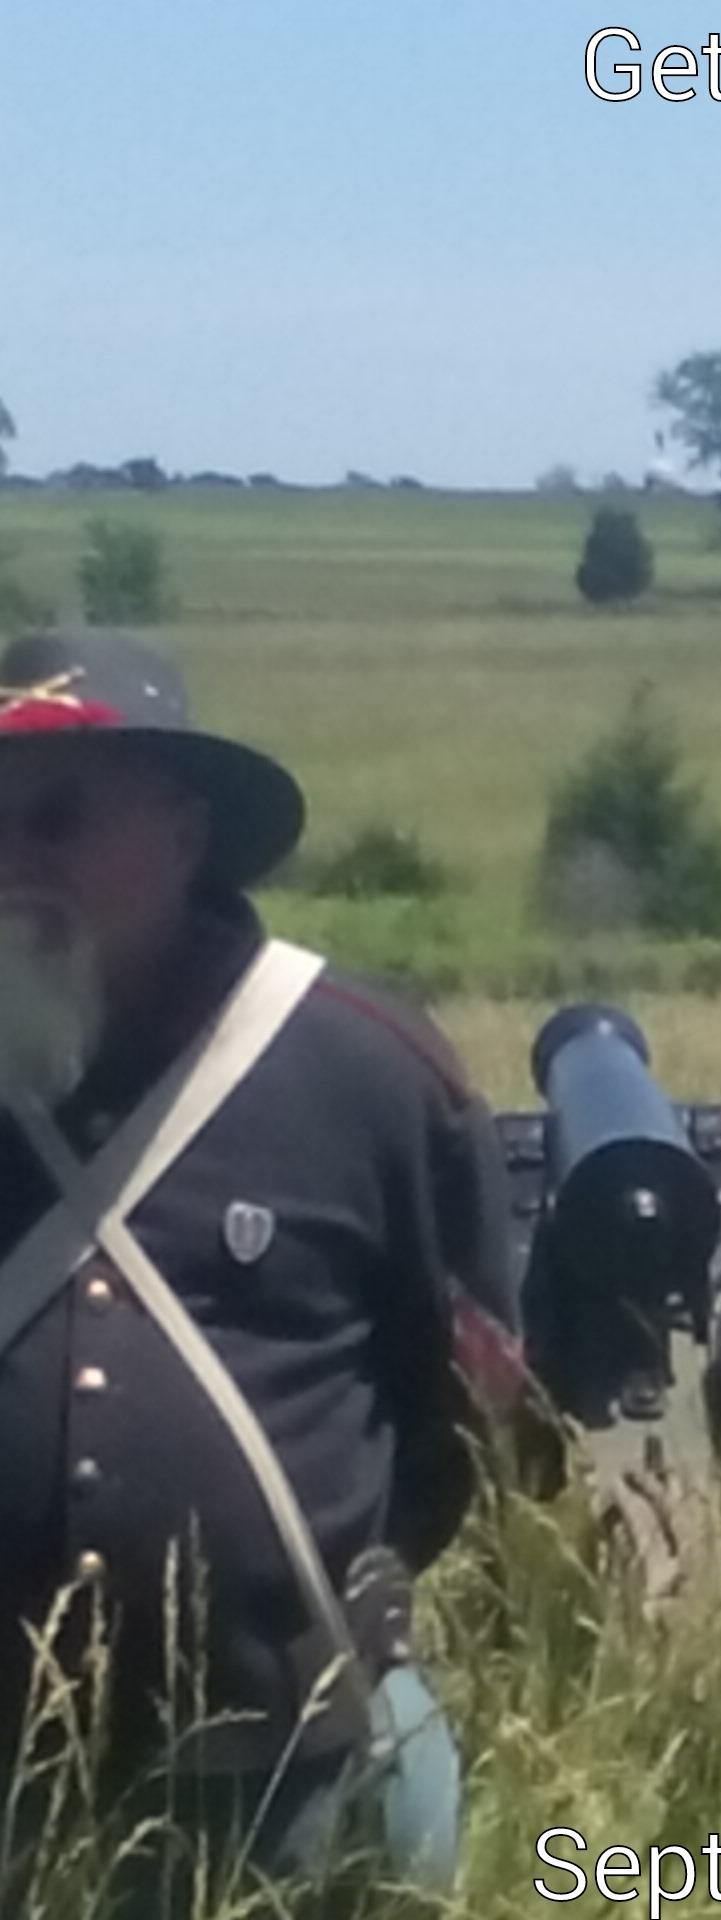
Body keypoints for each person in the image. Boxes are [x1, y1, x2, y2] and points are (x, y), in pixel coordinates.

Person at [0, 630, 522, 1908]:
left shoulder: (367, 1067)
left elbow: (467, 1410)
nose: (13, 858)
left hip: (292, 1772)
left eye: (59, 819)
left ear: (184, 833)